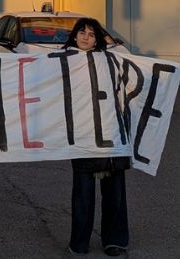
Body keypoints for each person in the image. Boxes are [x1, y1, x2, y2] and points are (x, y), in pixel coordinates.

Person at [64, 17, 130, 256]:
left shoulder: (110, 59)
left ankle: (114, 241)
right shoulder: (62, 61)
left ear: (98, 39)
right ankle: (79, 243)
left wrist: (170, 70)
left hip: (111, 134)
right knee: (83, 195)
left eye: (91, 34)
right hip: (83, 137)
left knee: (115, 194)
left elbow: (137, 68)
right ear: (74, 35)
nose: (85, 37)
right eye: (81, 32)